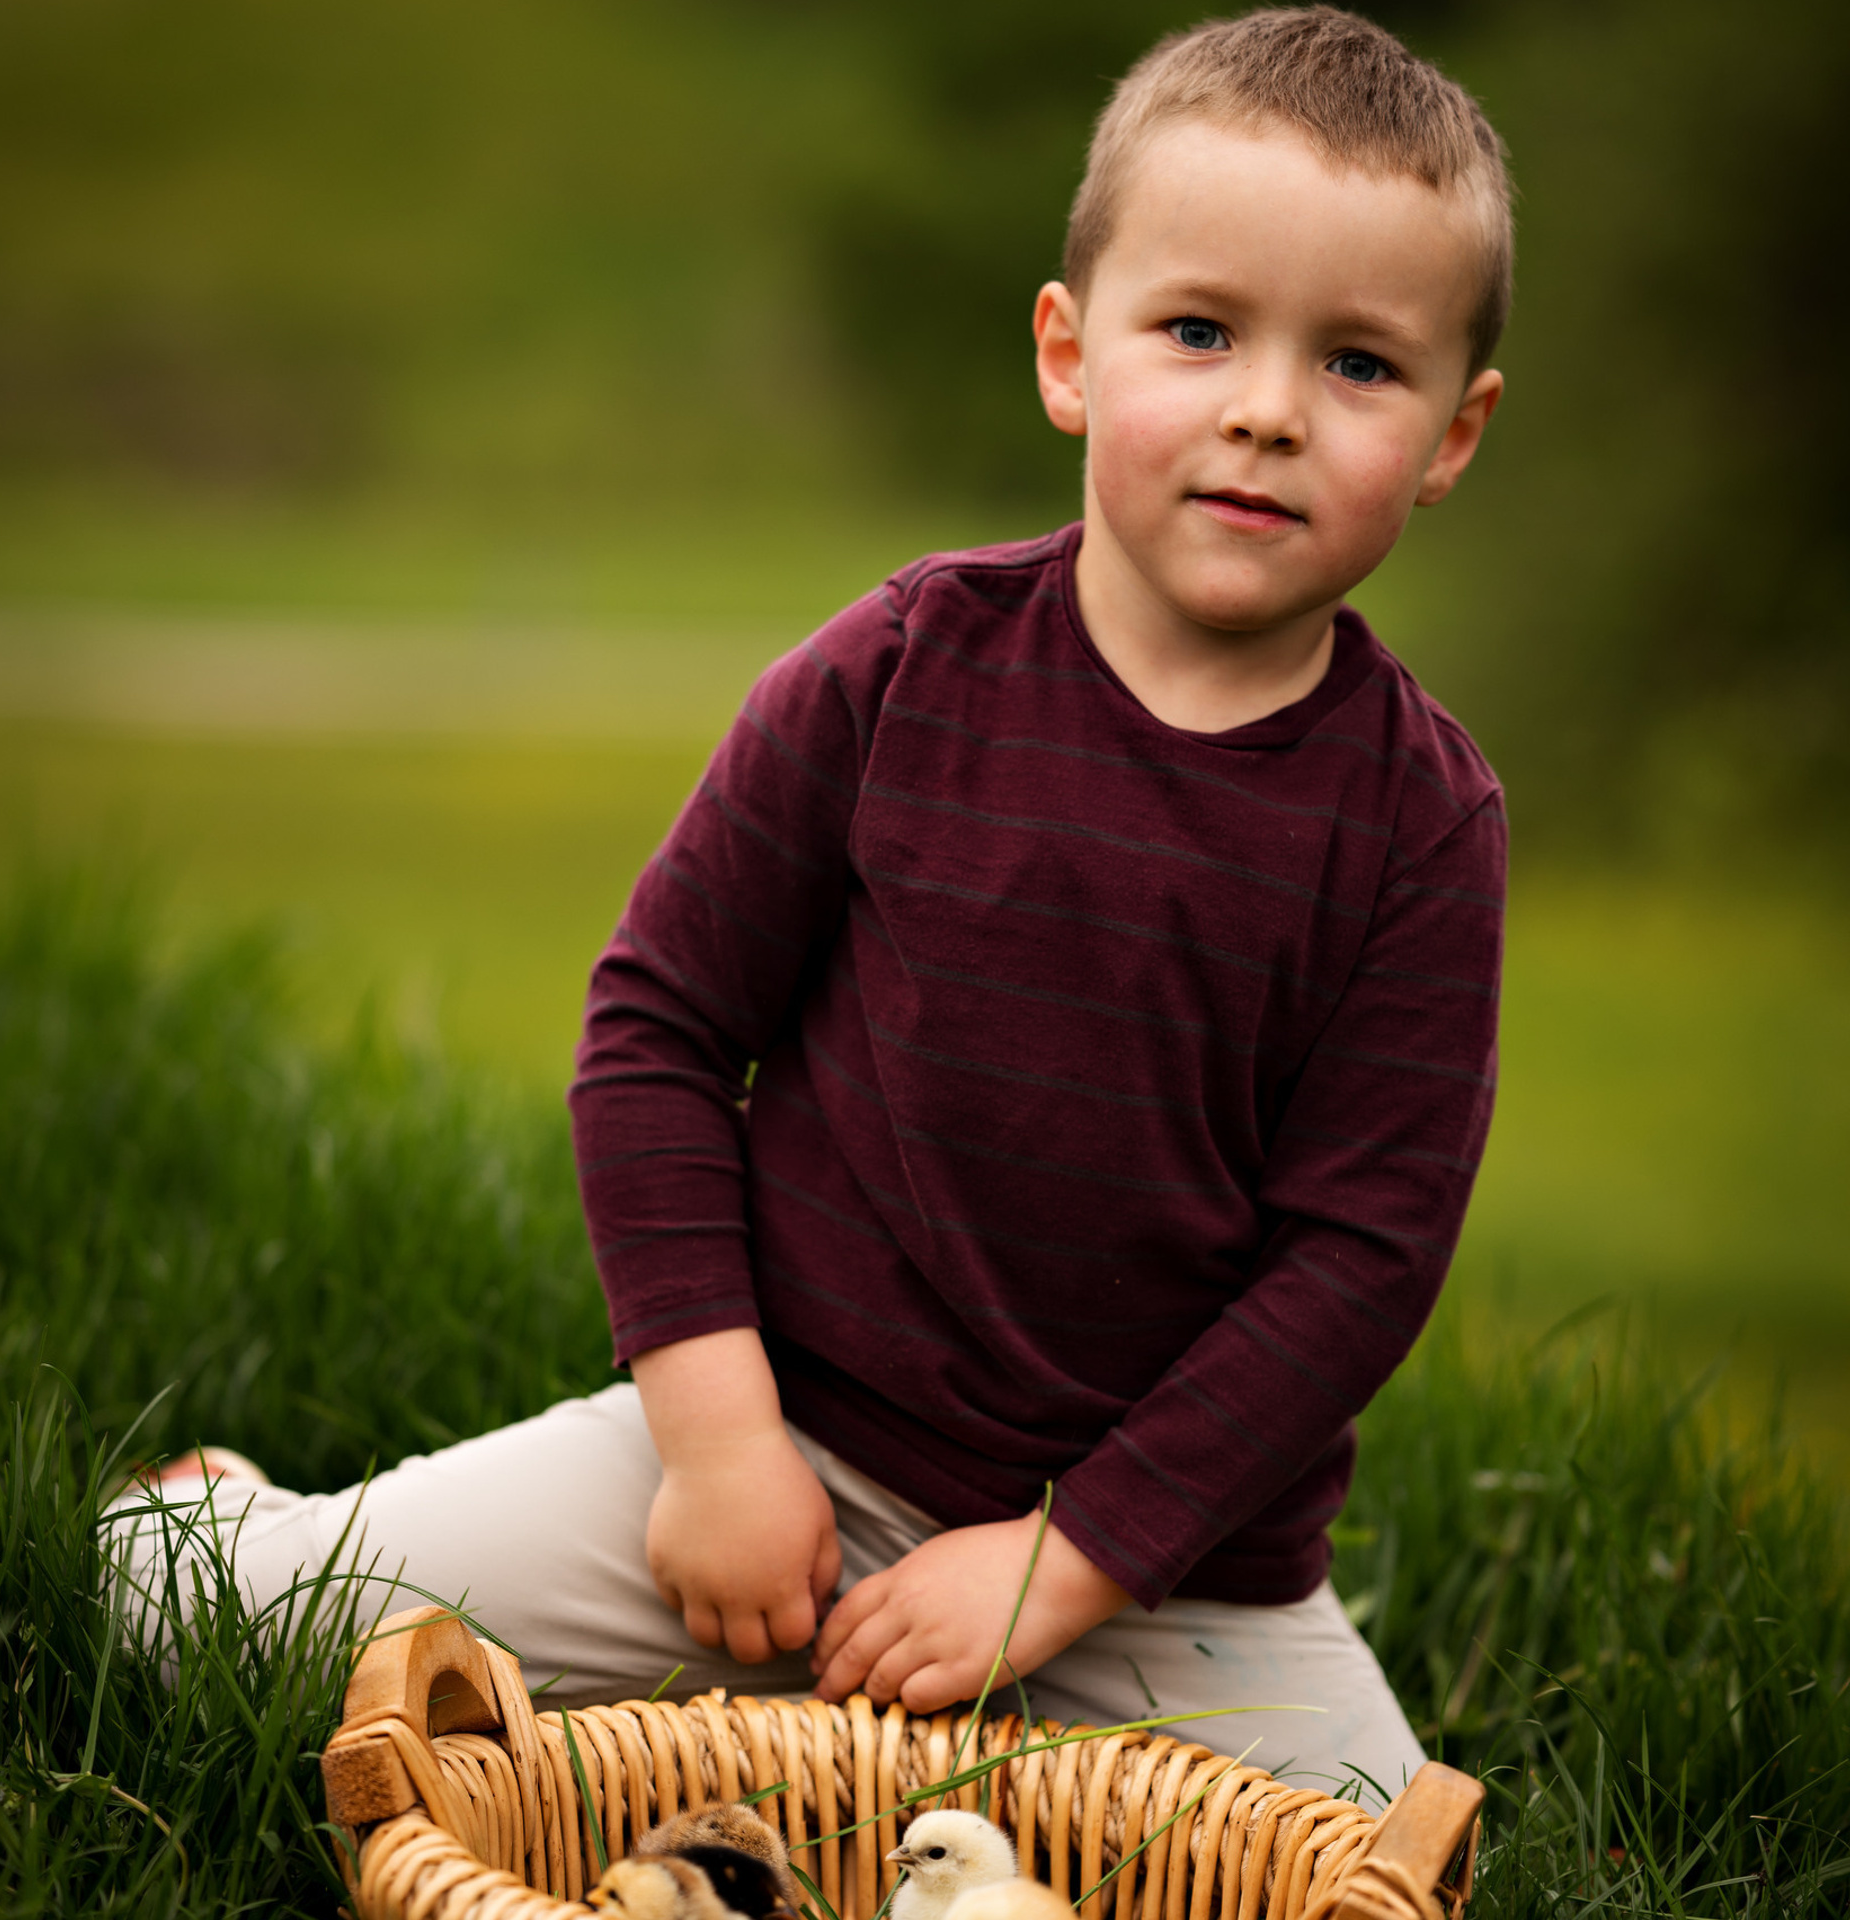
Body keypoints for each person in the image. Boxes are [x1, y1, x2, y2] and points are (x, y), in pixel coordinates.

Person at [111, 7, 1510, 1803]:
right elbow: (658, 1033)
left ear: (1455, 434)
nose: (1267, 409)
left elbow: (1358, 1262)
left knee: (1376, 1880)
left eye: (1361, 365)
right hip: (776, 1460)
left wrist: (1062, 1567)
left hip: (1161, 1581)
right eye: (1199, 331)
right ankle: (217, 1521)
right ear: (1068, 355)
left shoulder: (1420, 826)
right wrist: (717, 1449)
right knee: (188, 1627)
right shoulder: (901, 673)